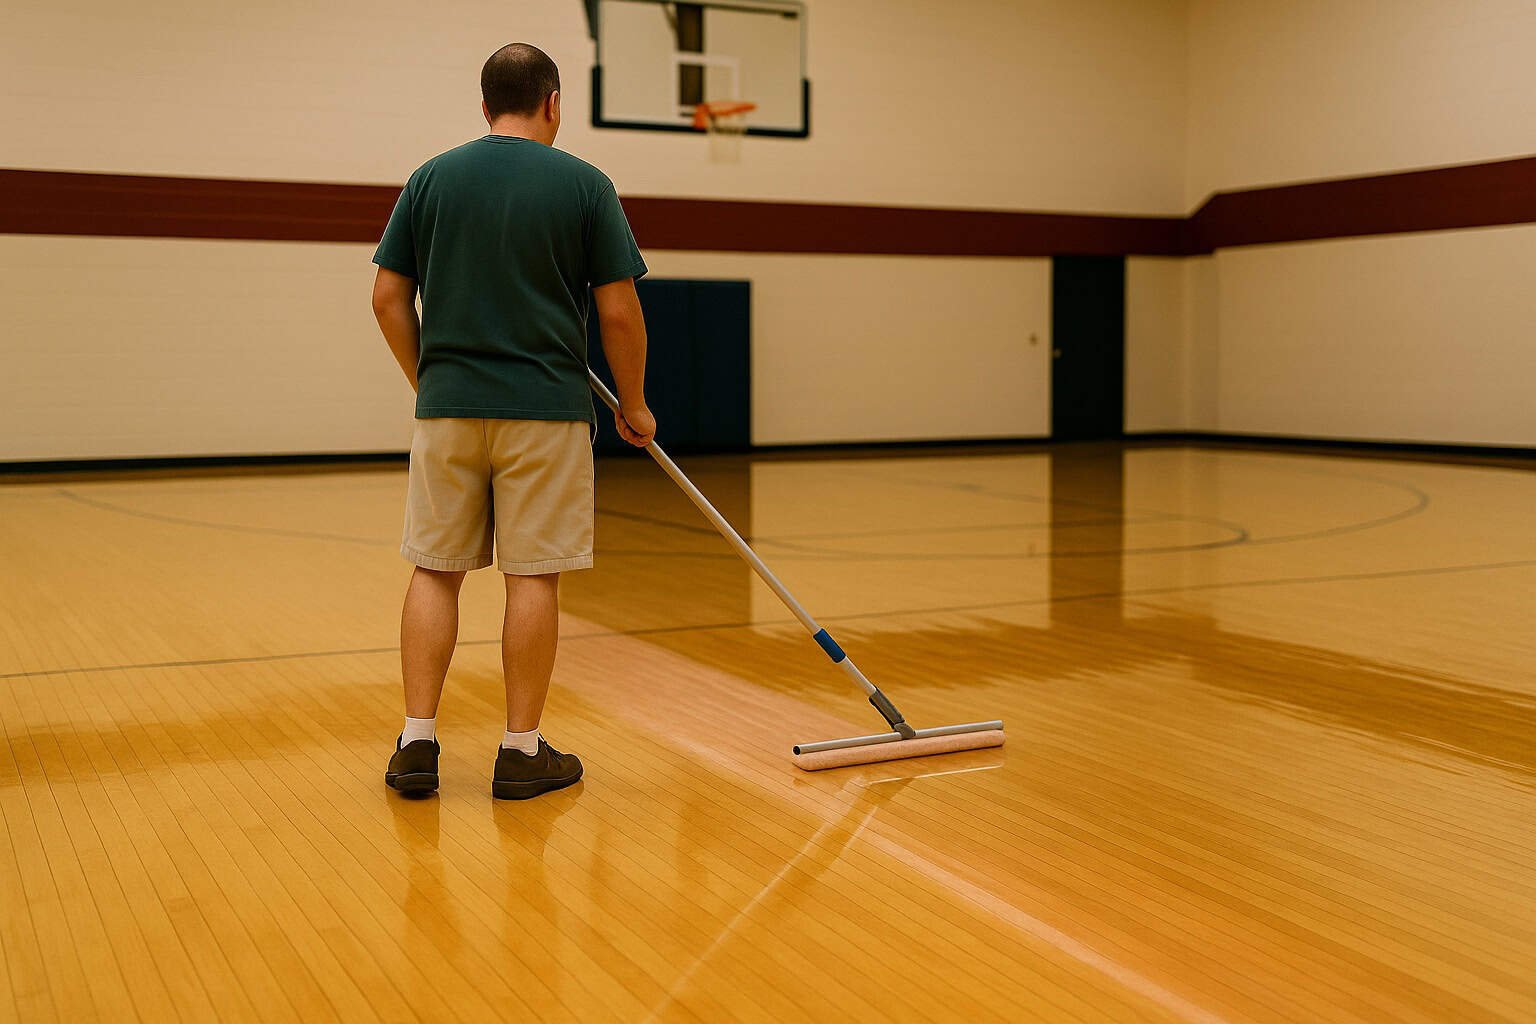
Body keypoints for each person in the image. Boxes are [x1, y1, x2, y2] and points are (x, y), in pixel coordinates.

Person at [370, 42, 655, 800]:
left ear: (485, 103)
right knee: (533, 576)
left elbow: (386, 299)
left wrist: (429, 378)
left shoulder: (430, 178)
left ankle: (417, 744)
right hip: (547, 411)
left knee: (436, 569)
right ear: (554, 102)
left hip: (449, 406)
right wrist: (634, 404)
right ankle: (521, 752)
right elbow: (620, 314)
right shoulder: (586, 184)